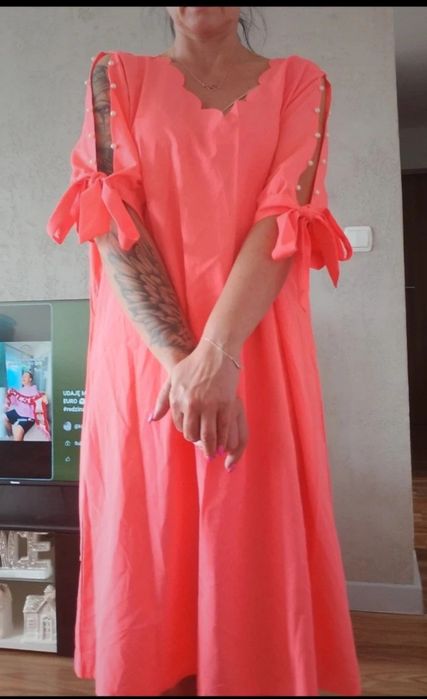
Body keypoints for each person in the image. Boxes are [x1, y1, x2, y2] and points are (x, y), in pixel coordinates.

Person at [47, 6, 361, 697]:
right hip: (146, 364)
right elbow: (110, 218)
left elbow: (285, 219)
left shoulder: (301, 82)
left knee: (252, 544)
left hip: (256, 357)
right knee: (152, 547)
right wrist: (185, 365)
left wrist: (216, 356)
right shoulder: (114, 76)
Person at [3, 370, 50, 441]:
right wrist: (9, 397)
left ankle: (16, 438)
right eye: (22, 377)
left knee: (18, 433)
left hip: (28, 416)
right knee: (2, 418)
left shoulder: (35, 392)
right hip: (18, 412)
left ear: (30, 379)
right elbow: (14, 402)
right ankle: (11, 434)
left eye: (25, 376)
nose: (23, 378)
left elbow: (41, 401)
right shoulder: (20, 391)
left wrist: (43, 398)